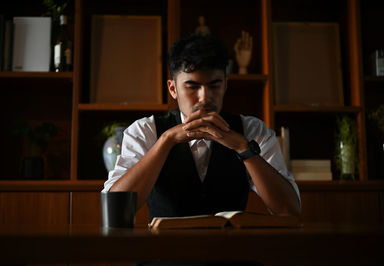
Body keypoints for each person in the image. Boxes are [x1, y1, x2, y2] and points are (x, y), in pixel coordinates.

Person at [103, 33, 301, 220]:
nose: (204, 97)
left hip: (231, 254)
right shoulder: (146, 131)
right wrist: (166, 141)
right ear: (173, 89)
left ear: (225, 85)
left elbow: (289, 210)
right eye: (192, 87)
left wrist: (244, 149)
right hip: (163, 253)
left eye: (214, 86)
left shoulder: (252, 131)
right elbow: (116, 208)